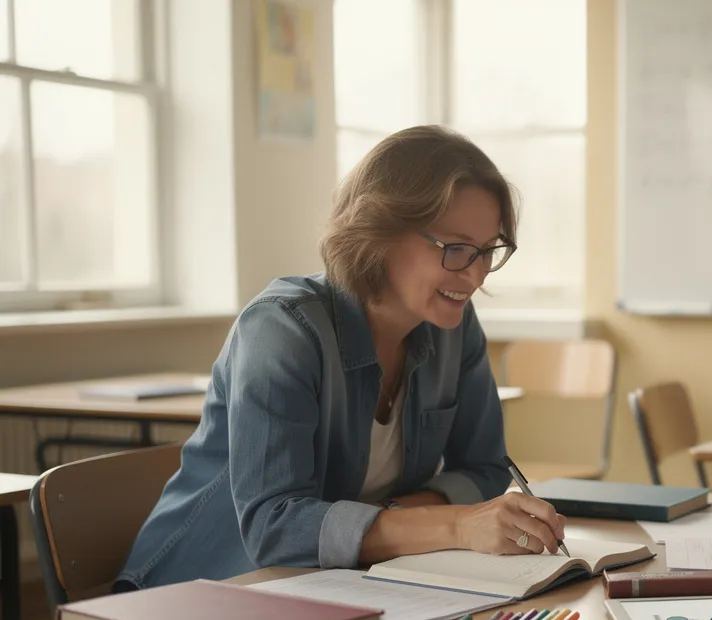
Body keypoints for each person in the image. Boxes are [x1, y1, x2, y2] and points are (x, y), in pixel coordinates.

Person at [117, 126, 565, 591]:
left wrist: (400, 518)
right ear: (381, 230)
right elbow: (275, 526)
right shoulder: (282, 329)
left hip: (330, 586)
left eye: (488, 250)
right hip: (198, 592)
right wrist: (452, 525)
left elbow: (486, 467)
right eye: (455, 249)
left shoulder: (453, 323)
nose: (474, 275)